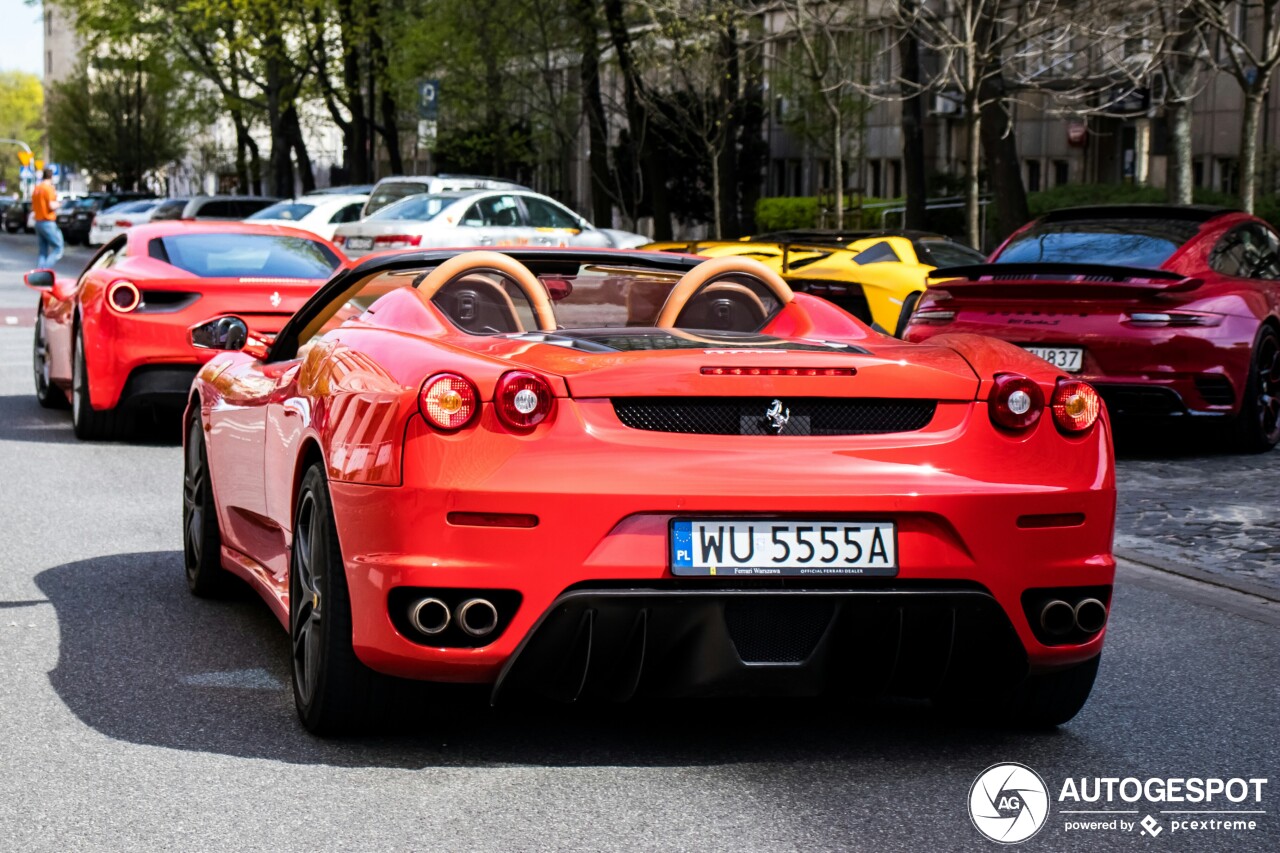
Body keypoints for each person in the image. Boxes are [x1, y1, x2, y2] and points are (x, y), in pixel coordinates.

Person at [31, 167, 63, 269]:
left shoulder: (37, 188)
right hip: (48, 222)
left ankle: (39, 273)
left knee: (43, 250)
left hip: (38, 222)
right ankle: (45, 270)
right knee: (58, 247)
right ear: (51, 177)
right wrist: (60, 204)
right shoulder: (48, 188)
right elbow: (51, 205)